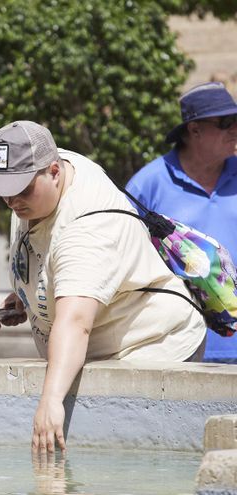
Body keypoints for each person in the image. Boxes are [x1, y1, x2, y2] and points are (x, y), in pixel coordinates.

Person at [0, 120, 206, 454]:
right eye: (4, 189)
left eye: (22, 188)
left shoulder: (88, 228)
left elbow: (75, 322)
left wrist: (50, 401)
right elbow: (54, 265)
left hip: (151, 346)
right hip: (96, 338)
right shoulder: (41, 184)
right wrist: (29, 297)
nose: (12, 200)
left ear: (54, 171)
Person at [126, 81, 237, 363]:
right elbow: (121, 257)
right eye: (226, 122)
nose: (235, 129)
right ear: (194, 129)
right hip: (181, 345)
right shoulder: (147, 186)